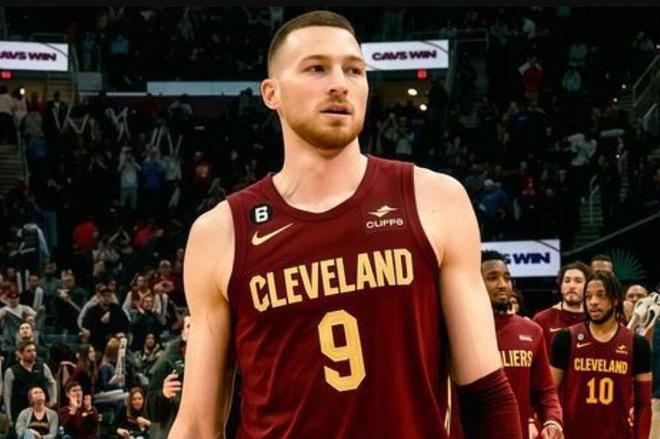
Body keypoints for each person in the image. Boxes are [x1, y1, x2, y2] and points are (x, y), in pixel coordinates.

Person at [170, 10, 520, 439]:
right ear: (271, 93)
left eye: (354, 70)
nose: (340, 83)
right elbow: (197, 424)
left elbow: (487, 396)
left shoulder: (435, 200)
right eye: (316, 68)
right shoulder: (220, 232)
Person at [550, 272, 651, 438]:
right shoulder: (566, 338)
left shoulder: (637, 343)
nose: (593, 301)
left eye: (600, 295)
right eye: (588, 296)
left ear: (615, 299)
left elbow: (644, 404)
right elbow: (549, 393)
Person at [481, 250, 563, 439]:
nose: (503, 284)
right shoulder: (458, 328)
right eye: (492, 278)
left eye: (507, 278)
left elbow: (545, 392)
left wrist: (552, 420)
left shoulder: (532, 331)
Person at [533, 262, 591, 355]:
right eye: (567, 281)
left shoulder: (595, 319)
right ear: (561, 286)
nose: (571, 286)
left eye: (578, 281)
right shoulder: (542, 320)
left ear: (588, 286)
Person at [147, 313, 189, 438]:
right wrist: (163, 395)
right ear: (183, 334)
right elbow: (151, 412)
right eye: (189, 326)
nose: (194, 331)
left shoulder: (213, 361)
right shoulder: (166, 362)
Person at [3, 341, 57, 424]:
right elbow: (7, 395)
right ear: (21, 354)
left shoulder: (42, 366)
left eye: (34, 350)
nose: (32, 353)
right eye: (29, 351)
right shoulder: (11, 371)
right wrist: (9, 417)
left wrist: (53, 400)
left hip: (40, 411)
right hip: (19, 411)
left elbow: (52, 382)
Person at [81, 284, 130, 352]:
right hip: (97, 342)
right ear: (99, 297)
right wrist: (100, 322)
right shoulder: (92, 311)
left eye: (108, 296)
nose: (106, 298)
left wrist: (123, 333)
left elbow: (126, 324)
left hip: (115, 342)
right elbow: (86, 326)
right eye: (104, 296)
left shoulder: (117, 309)